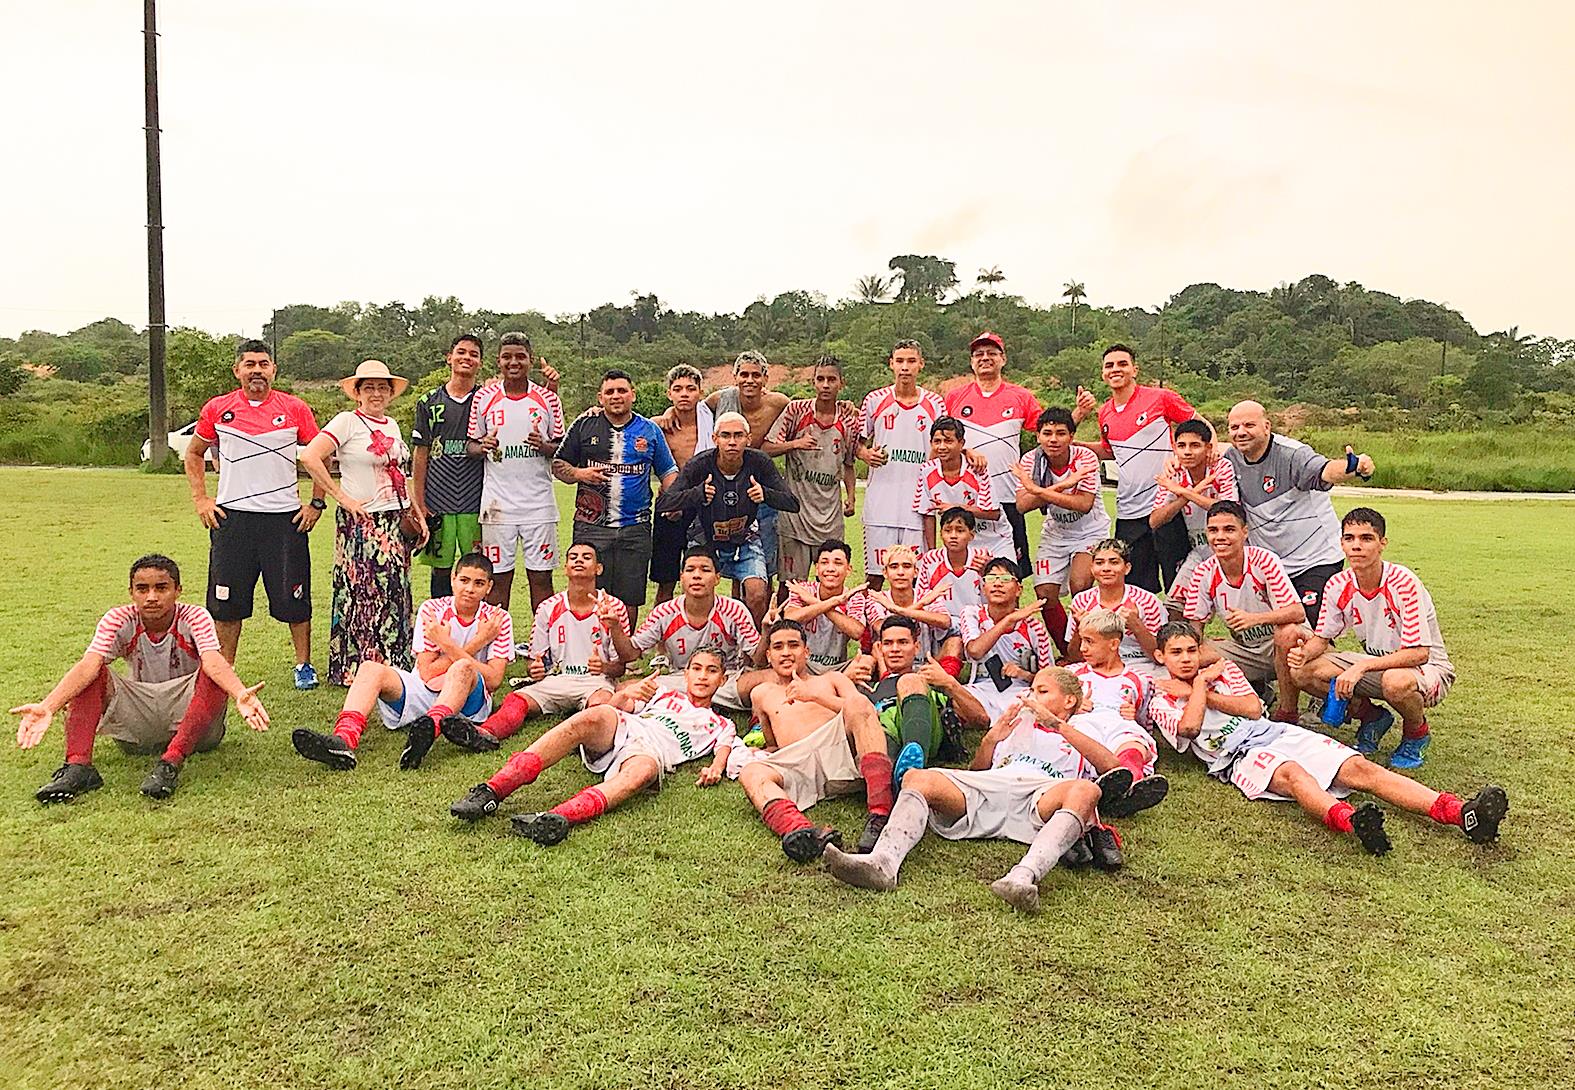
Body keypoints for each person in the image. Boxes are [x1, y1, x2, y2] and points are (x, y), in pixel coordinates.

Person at [1152, 624, 1506, 854]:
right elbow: (1189, 729)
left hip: (1275, 731)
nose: (1186, 659)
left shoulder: (1225, 670)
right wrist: (1197, 685)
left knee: (1361, 769)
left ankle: (1462, 813)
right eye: (1176, 653)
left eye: (1191, 650)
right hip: (1238, 754)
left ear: (1200, 651)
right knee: (1293, 775)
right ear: (1160, 657)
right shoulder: (1160, 699)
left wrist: (1200, 689)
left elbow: (1251, 708)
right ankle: (1352, 822)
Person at [823, 666, 1137, 910]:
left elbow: (1112, 767)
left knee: (1085, 790)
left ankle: (1023, 877)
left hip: (1042, 794)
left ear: (1069, 700)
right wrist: (991, 739)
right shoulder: (1015, 723)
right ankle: (883, 863)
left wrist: (1056, 724)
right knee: (918, 777)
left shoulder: (1085, 726)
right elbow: (978, 772)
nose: (1031, 696)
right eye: (1032, 689)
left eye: (1042, 690)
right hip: (992, 785)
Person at [14, 554, 270, 802]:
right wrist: (48, 706)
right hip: (138, 724)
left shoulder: (195, 616)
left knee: (211, 672)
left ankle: (170, 763)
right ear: (131, 592)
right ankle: (78, 766)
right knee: (94, 672)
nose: (151, 597)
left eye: (161, 588)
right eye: (142, 589)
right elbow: (88, 665)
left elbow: (214, 661)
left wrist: (239, 693)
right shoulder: (118, 618)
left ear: (178, 590)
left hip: (194, 725)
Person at [449, 652, 737, 840]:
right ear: (685, 674)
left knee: (643, 773)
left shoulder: (721, 724)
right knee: (594, 715)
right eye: (696, 669)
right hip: (628, 726)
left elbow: (721, 756)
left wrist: (714, 769)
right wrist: (628, 694)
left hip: (651, 752)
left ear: (722, 680)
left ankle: (554, 818)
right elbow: (617, 708)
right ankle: (492, 790)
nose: (702, 676)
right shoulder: (662, 694)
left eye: (711, 671)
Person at [184, 338, 323, 689]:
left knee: (295, 598)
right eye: (250, 364)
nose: (257, 370)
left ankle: (303, 666)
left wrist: (316, 503)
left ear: (274, 369)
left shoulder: (295, 408)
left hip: (284, 520)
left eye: (263, 364)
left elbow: (321, 456)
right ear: (238, 370)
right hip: (233, 520)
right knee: (227, 602)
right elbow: (194, 453)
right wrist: (201, 499)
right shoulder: (218, 408)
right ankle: (224, 668)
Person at [292, 552, 513, 772]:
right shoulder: (432, 609)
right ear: (453, 580)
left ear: (489, 587)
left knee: (462, 667)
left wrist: (448, 644)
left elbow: (493, 680)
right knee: (370, 668)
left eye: (479, 583)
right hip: (424, 691)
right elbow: (427, 673)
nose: (470, 589)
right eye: (464, 580)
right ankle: (343, 741)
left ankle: (429, 730)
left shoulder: (498, 619)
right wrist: (478, 643)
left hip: (467, 702)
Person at [1288, 507, 1454, 770]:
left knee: (1395, 682)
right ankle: (1372, 716)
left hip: (1426, 669)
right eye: (1350, 538)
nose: (1357, 546)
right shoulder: (1337, 583)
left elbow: (1420, 653)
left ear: (1382, 543)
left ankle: (1416, 733)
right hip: (1380, 664)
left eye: (1366, 538)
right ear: (1341, 543)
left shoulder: (1403, 582)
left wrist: (1361, 667)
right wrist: (1303, 653)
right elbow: (1322, 638)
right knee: (1303, 672)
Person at [298, 360, 424, 688]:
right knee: (364, 591)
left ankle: (394, 664)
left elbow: (399, 471)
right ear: (357, 392)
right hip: (363, 520)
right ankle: (357, 666)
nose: (377, 393)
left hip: (394, 518)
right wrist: (342, 497)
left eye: (383, 387)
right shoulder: (347, 422)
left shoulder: (393, 426)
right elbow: (311, 456)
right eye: (369, 387)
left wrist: (415, 510)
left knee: (395, 591)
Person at [736, 620, 898, 860]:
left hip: (838, 750)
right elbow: (772, 739)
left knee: (858, 703)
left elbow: (866, 713)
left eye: (793, 645)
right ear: (769, 655)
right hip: (798, 761)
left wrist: (814, 696)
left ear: (806, 652)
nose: (786, 653)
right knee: (750, 773)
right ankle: (802, 831)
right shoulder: (761, 693)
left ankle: (880, 814)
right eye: (778, 647)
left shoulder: (831, 679)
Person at [1220, 400, 1376, 624]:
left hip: (1314, 560)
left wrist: (1354, 467)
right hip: (1272, 566)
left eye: (1249, 425)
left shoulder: (1292, 455)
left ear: (1267, 426)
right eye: (1234, 427)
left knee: (1311, 631)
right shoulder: (1231, 459)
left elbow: (1324, 470)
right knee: (1277, 634)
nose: (1241, 432)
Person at [553, 369, 678, 624]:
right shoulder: (584, 424)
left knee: (629, 597)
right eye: (610, 392)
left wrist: (672, 501)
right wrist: (580, 473)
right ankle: (590, 650)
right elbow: (558, 465)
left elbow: (668, 471)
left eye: (622, 390)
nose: (616, 396)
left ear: (633, 394)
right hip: (591, 526)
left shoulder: (650, 430)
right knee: (588, 592)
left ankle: (625, 657)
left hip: (636, 527)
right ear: (600, 397)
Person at [1072, 343, 1197, 593]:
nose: (1115, 369)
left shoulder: (1161, 398)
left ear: (1134, 369)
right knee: (1135, 587)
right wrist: (1073, 444)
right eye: (1109, 365)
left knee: (1178, 587)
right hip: (1129, 512)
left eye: (1122, 364)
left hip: (1167, 505)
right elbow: (1110, 451)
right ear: (1102, 373)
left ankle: (1179, 633)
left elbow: (1200, 427)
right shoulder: (1105, 412)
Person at [654, 411, 800, 623]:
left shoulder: (759, 462)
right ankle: (696, 640)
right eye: (725, 435)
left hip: (744, 537)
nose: (732, 442)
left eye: (738, 435)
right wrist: (698, 494)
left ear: (748, 439)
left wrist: (765, 494)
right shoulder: (700, 464)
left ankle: (752, 650)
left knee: (758, 592)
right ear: (715, 439)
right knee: (696, 592)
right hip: (705, 536)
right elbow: (664, 503)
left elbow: (792, 503)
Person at [478, 542, 630, 741]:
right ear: (565, 568)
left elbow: (620, 668)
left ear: (598, 568)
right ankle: (485, 734)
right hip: (557, 680)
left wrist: (603, 667)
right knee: (517, 699)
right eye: (573, 557)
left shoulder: (613, 606)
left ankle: (585, 743)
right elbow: (534, 662)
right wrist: (535, 669)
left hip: (596, 683)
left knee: (603, 704)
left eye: (586, 557)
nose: (579, 560)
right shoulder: (547, 608)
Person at [1182, 501, 1308, 723]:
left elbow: (1297, 612)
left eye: (1229, 529)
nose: (1220, 537)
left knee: (1286, 634)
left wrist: (1254, 619)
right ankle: (1212, 703)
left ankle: (1287, 712)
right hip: (1246, 648)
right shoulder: (1203, 571)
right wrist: (1192, 653)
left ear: (1244, 532)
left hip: (1281, 644)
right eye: (1213, 530)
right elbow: (1195, 625)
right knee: (1190, 654)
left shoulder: (1264, 560)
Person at [467, 332, 566, 615]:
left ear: (530, 360)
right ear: (498, 361)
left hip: (539, 505)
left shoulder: (548, 398)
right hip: (497, 507)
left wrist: (544, 445)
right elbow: (470, 444)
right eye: (507, 356)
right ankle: (499, 646)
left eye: (520, 357)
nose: (514, 362)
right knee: (497, 580)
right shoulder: (483, 398)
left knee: (541, 578)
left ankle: (541, 647)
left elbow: (560, 446)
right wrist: (483, 445)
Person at [606, 547, 762, 710]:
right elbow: (630, 654)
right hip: (682, 680)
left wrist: (766, 629)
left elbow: (759, 658)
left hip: (726, 680)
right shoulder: (664, 612)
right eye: (690, 570)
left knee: (767, 680)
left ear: (717, 578)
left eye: (705, 570)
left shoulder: (734, 609)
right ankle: (693, 701)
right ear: (681, 577)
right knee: (625, 688)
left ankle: (679, 703)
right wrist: (615, 627)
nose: (696, 575)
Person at [1012, 406, 1109, 654]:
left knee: (1080, 585)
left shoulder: (1085, 458)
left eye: (1061, 433)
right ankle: (1068, 651)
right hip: (1056, 532)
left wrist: (1038, 492)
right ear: (1038, 436)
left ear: (1072, 436)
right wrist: (1064, 486)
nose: (1053, 439)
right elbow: (1022, 505)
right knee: (1044, 594)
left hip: (1090, 531)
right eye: (1047, 433)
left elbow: (1084, 504)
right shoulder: (1031, 461)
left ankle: (1086, 648)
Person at [943, 332, 1043, 566]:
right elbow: (941, 442)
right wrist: (966, 451)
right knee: (963, 569)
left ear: (1003, 359)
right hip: (965, 498)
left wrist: (1078, 413)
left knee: (1009, 575)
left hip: (1007, 496)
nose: (985, 358)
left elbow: (1048, 433)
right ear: (971, 361)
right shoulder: (954, 398)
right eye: (979, 354)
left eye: (991, 353)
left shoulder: (1021, 396)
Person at [856, 340, 947, 588]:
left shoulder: (935, 403)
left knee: (916, 577)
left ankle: (915, 627)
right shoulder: (875, 400)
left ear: (921, 364)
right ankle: (869, 625)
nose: (905, 367)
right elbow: (856, 443)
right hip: (880, 504)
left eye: (911, 361)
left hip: (917, 506)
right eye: (899, 361)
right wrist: (865, 454)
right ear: (891, 364)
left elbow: (946, 445)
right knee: (875, 576)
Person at [761, 356, 859, 583]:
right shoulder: (796, 411)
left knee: (830, 582)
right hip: (794, 516)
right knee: (790, 584)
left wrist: (852, 497)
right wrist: (795, 444)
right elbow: (766, 448)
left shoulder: (848, 419)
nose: (826, 385)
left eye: (831, 379)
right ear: (813, 382)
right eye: (821, 379)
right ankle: (785, 619)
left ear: (841, 383)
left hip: (830, 518)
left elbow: (849, 463)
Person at [705, 351, 791, 586]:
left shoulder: (779, 403)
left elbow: (808, 412)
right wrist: (668, 414)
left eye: (755, 375)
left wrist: (844, 408)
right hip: (725, 489)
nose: (749, 380)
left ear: (766, 378)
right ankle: (737, 617)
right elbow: (691, 413)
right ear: (735, 377)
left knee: (764, 564)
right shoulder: (718, 400)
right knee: (736, 561)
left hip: (760, 488)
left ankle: (762, 619)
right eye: (744, 374)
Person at [410, 333, 486, 599]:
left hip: (475, 502)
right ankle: (441, 630)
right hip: (437, 502)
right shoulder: (429, 401)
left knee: (476, 569)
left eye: (473, 354)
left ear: (480, 363)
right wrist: (418, 502)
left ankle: (475, 632)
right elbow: (421, 454)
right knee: (440, 572)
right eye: (461, 352)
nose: (467, 358)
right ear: (449, 358)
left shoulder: (486, 400)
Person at [1064, 609, 1166, 802]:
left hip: (1120, 726)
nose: (1083, 648)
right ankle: (1098, 787)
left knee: (1134, 747)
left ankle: (1129, 790)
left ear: (1113, 644)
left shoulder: (1140, 680)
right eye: (1082, 640)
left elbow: (1145, 724)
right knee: (1075, 746)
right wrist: (1072, 708)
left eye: (1090, 642)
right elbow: (1051, 712)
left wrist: (1133, 714)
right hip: (1084, 726)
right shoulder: (1072, 674)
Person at [861, 615, 988, 772]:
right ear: (880, 649)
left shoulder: (932, 680)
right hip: (880, 736)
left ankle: (910, 765)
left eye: (903, 642)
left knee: (910, 681)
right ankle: (890, 769)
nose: (895, 649)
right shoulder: (869, 687)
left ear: (917, 647)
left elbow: (981, 720)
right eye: (888, 643)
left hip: (924, 731)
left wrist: (950, 683)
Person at [1149, 418, 1238, 617]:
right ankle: (1187, 647)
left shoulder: (1220, 467)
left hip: (1231, 552)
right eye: (1181, 445)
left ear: (1208, 448)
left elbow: (1229, 511)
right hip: (1199, 551)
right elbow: (1154, 521)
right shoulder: (1174, 473)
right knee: (1174, 609)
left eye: (1195, 445)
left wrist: (1186, 493)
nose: (1187, 451)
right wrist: (1184, 494)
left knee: (1235, 614)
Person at [650, 364, 716, 605]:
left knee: (704, 577)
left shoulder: (711, 422)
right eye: (678, 389)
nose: (684, 394)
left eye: (690, 388)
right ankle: (662, 640)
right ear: (669, 393)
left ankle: (705, 636)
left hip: (704, 505)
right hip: (670, 507)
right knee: (665, 580)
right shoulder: (658, 427)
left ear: (700, 392)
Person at [960, 558, 1056, 720]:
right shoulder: (972, 613)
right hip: (980, 687)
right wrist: (1007, 622)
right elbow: (975, 651)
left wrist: (1023, 674)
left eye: (1005, 579)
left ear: (1019, 589)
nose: (997, 584)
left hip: (1019, 691)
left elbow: (1049, 677)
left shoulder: (1034, 628)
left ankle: (982, 719)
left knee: (1035, 706)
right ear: (983, 588)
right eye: (990, 579)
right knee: (960, 698)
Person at [1067, 538, 1166, 675]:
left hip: (1141, 666)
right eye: (1099, 563)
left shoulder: (1147, 601)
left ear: (1127, 568)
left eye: (1114, 562)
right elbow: (1074, 658)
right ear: (1092, 568)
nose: (1106, 568)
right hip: (1095, 667)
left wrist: (1136, 626)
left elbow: (1160, 656)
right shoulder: (1082, 601)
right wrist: (1080, 628)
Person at [781, 540, 870, 678]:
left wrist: (814, 602)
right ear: (816, 568)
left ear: (849, 569)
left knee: (867, 661)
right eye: (824, 563)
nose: (830, 569)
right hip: (803, 664)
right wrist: (833, 603)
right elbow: (790, 618)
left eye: (838, 563)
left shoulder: (853, 597)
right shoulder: (804, 589)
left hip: (838, 668)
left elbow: (856, 631)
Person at [912, 416, 1001, 552]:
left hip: (993, 541)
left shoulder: (977, 468)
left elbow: (994, 513)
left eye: (948, 441)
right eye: (937, 441)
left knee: (998, 573)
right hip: (957, 544)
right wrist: (932, 552)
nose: (942, 447)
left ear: (961, 443)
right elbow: (927, 514)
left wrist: (956, 508)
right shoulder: (926, 470)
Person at [857, 545, 957, 666]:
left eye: (907, 566)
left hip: (927, 664)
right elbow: (882, 628)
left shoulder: (927, 595)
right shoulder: (877, 598)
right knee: (874, 649)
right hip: (889, 666)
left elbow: (945, 622)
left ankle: (939, 682)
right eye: (894, 567)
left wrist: (895, 609)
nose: (900, 572)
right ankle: (887, 680)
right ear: (885, 573)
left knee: (955, 642)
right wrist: (921, 604)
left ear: (916, 572)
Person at [916, 507, 990, 629]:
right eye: (948, 531)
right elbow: (921, 596)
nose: (953, 536)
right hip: (941, 624)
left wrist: (986, 574)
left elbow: (993, 597)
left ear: (971, 535)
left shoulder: (982, 559)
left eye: (960, 531)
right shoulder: (931, 559)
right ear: (941, 534)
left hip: (977, 624)